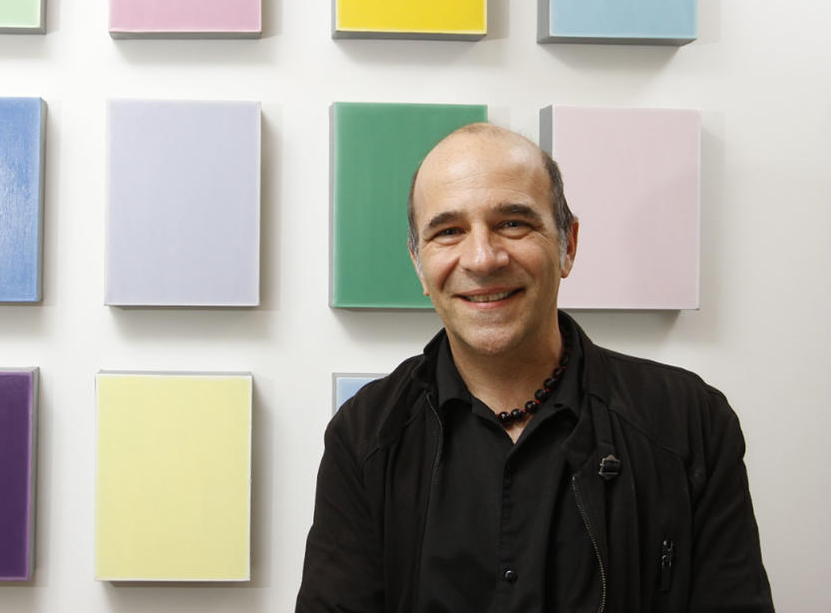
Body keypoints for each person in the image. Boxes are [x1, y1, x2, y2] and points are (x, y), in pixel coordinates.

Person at [296, 123, 773, 612]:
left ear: (568, 244)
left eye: (513, 223)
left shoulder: (691, 422)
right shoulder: (364, 436)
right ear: (419, 263)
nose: (482, 259)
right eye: (448, 231)